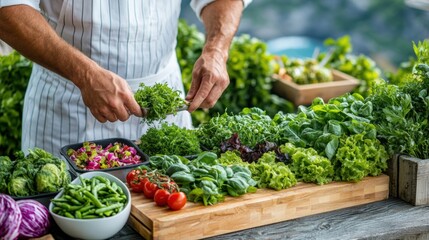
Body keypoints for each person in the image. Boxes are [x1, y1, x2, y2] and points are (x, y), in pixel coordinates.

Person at [0, 0, 251, 156]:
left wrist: (217, 50)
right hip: (69, 106)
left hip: (165, 105)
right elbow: (7, 9)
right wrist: (84, 73)